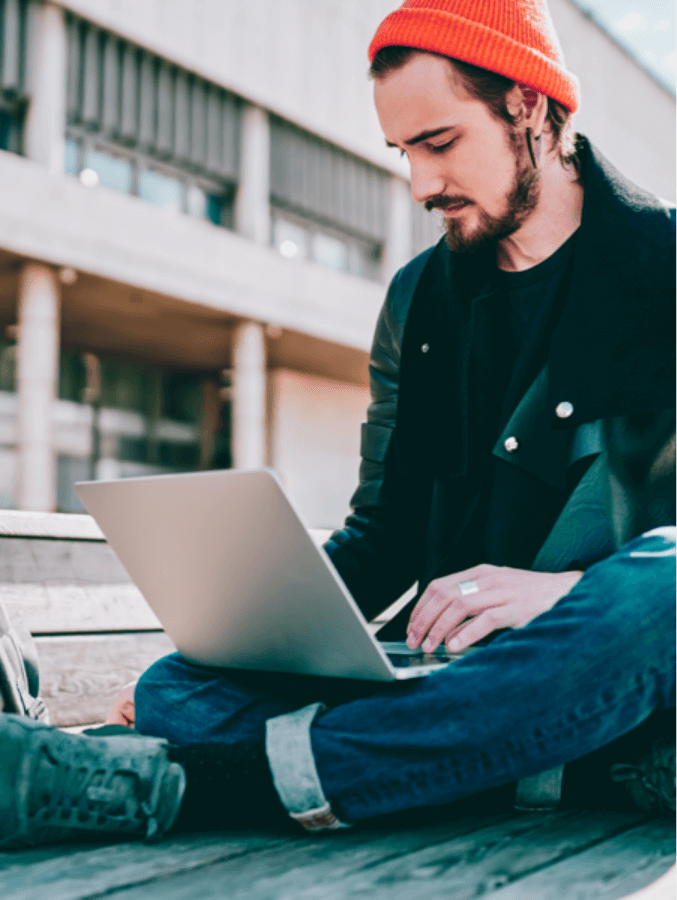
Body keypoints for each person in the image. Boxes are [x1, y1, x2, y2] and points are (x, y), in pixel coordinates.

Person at [1, 0, 674, 847]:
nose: (421, 186)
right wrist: (254, 632)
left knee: (664, 589)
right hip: (461, 674)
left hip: (621, 648)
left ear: (528, 106)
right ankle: (545, 766)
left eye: (440, 143)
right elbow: (383, 537)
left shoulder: (663, 267)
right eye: (403, 153)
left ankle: (215, 785)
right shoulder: (419, 300)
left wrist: (568, 593)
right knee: (180, 688)